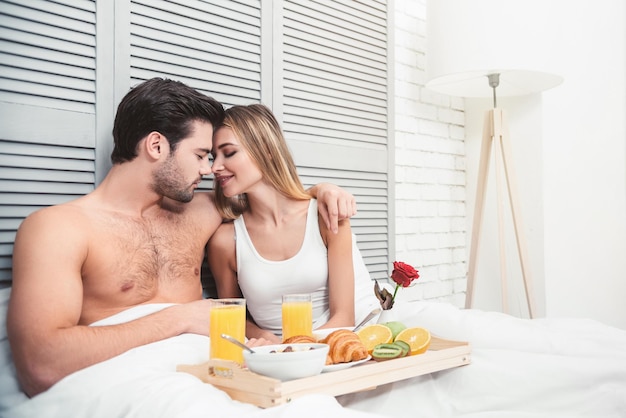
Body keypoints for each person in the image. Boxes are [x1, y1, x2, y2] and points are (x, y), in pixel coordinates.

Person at [6, 77, 357, 397]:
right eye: (202, 155)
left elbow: (273, 198)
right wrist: (182, 318)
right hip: (131, 386)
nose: (210, 169)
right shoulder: (56, 228)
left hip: (216, 377)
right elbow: (41, 365)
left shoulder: (199, 212)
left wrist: (323, 191)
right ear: (157, 146)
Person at [207, 104, 379, 344]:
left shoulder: (325, 216)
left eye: (229, 153)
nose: (214, 168)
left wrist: (298, 349)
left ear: (266, 150)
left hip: (336, 344)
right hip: (276, 356)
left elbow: (344, 317)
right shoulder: (224, 242)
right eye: (213, 157)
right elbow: (232, 315)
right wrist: (264, 337)